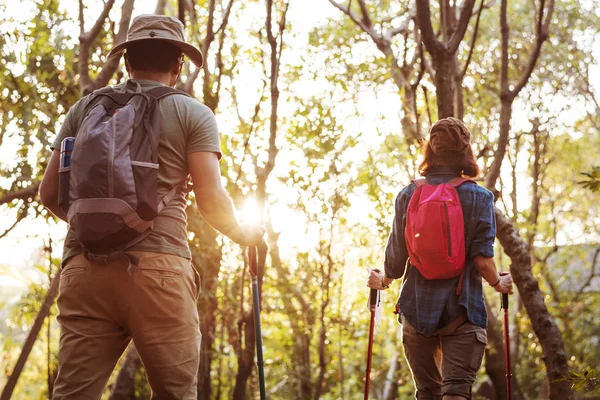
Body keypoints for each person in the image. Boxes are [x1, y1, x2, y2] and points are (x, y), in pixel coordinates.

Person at [39, 15, 263, 399]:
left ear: (127, 61)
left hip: (84, 267)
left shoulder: (84, 109)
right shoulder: (192, 113)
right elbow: (211, 201)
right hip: (159, 270)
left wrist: (100, 227)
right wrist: (247, 237)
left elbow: (49, 193)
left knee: (73, 394)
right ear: (179, 64)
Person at [367, 117, 513, 400]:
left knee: (427, 393)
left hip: (416, 310)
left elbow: (395, 259)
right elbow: (483, 260)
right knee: (456, 392)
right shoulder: (480, 197)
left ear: (429, 151)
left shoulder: (409, 193)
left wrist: (381, 281)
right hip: (463, 309)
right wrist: (499, 283)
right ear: (465, 152)